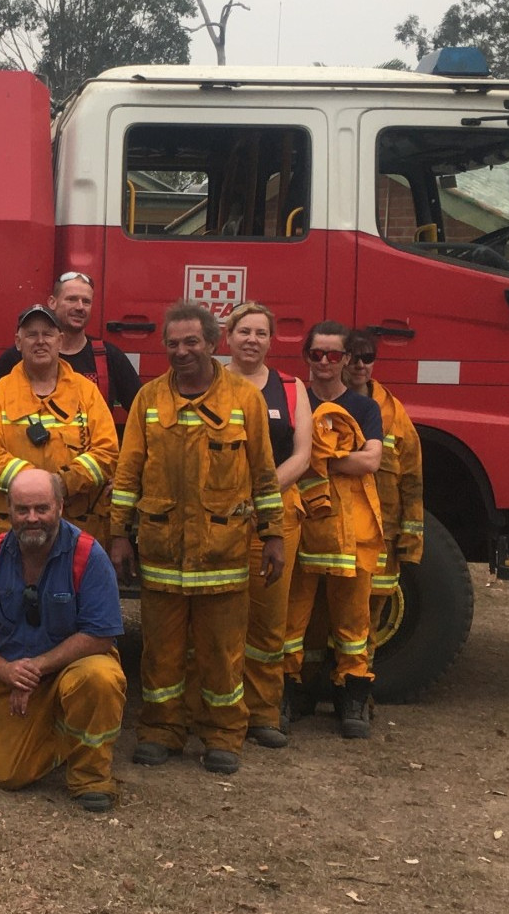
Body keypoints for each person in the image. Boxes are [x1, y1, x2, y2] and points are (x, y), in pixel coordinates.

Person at [108, 301, 283, 775]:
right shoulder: (147, 399)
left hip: (223, 554)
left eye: (191, 342)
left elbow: (264, 474)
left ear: (212, 343)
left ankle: (223, 733)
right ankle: (161, 730)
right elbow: (128, 474)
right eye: (173, 343)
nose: (181, 351)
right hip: (162, 551)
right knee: (161, 653)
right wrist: (119, 535)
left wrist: (274, 535)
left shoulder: (244, 399)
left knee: (222, 654)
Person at [0, 469, 126, 812]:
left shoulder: (88, 555)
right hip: (11, 675)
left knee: (100, 677)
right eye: (22, 510)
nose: (32, 519)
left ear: (60, 507)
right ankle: (63, 734)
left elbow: (100, 634)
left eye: (41, 509)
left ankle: (91, 776)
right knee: (7, 775)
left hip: (72, 670)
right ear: (10, 510)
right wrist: (4, 669)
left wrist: (36, 667)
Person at [286, 321, 385, 740]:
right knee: (292, 621)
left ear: (346, 360)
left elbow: (372, 461)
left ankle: (353, 700)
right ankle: (288, 695)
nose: (324, 362)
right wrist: (343, 454)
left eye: (333, 355)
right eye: (316, 354)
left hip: (352, 532)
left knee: (353, 622)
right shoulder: (295, 400)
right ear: (307, 356)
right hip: (304, 525)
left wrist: (317, 459)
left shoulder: (365, 408)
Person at [222, 301, 312, 749]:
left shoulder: (292, 389)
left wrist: (260, 488)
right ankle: (217, 711)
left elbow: (302, 455)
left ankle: (263, 714)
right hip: (219, 516)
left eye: (260, 333)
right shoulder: (212, 385)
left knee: (268, 621)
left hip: (275, 514)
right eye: (244, 332)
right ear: (228, 338)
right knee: (219, 618)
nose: (252, 340)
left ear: (271, 341)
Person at [0, 304, 118, 539]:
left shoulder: (86, 392)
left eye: (48, 334)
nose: (40, 341)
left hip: (77, 526)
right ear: (18, 342)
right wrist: (37, 488)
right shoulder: (0, 392)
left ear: (60, 341)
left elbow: (107, 452)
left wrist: (63, 483)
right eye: (31, 334)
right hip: (15, 528)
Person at [343, 330, 424, 639]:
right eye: (352, 357)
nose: (360, 365)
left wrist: (410, 540)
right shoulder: (323, 403)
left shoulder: (393, 412)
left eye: (368, 358)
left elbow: (412, 477)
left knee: (370, 617)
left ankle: (361, 679)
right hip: (335, 529)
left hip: (382, 535)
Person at [0, 272, 141, 418]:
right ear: (52, 302)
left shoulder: (109, 357)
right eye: (71, 299)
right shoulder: (17, 357)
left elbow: (141, 415)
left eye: (86, 301)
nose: (80, 307)